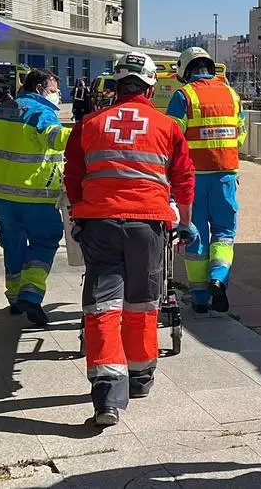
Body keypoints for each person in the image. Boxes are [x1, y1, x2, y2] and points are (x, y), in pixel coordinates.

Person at [64, 51, 198, 427]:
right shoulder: (167, 126)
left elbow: (73, 176)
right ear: (151, 86)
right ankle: (140, 377)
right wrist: (184, 221)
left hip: (100, 225)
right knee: (142, 303)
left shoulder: (89, 124)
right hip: (148, 227)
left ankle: (107, 395)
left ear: (116, 84)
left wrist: (79, 213)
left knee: (103, 306)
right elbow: (184, 178)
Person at [0, 69, 69, 325]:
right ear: (39, 88)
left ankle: (14, 298)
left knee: (12, 242)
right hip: (35, 195)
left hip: (1, 195)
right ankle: (31, 292)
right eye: (54, 89)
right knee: (45, 239)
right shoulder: (40, 112)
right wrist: (87, 132)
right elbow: (57, 139)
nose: (57, 95)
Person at [165, 46, 246, 313]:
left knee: (195, 235)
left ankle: (199, 299)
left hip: (193, 178)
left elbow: (172, 141)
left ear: (185, 71)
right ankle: (218, 279)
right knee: (224, 233)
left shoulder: (184, 95)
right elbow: (241, 135)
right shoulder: (232, 95)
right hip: (225, 175)